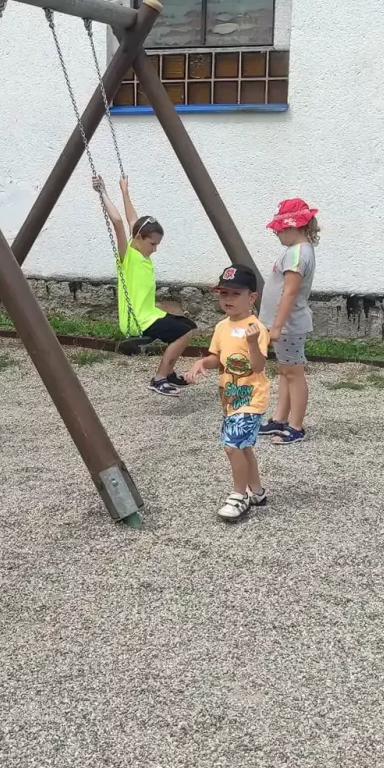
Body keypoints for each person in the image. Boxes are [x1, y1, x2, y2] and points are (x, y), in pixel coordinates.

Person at [91, 173, 198, 396]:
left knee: (186, 323)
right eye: (152, 244)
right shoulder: (127, 257)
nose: (155, 249)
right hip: (138, 321)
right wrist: (103, 192)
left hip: (149, 314)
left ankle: (168, 373)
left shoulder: (141, 251)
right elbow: (119, 223)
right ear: (139, 238)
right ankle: (159, 379)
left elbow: (133, 220)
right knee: (185, 332)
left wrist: (125, 191)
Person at [181, 265, 271, 521]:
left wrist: (252, 343)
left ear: (251, 298)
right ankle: (257, 491)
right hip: (230, 398)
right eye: (223, 293)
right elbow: (217, 358)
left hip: (251, 397)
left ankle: (239, 495)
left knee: (232, 447)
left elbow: (258, 366)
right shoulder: (222, 327)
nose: (228, 299)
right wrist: (202, 362)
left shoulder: (256, 328)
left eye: (235, 293)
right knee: (243, 447)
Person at [258, 197, 320, 445]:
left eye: (281, 230)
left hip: (289, 325)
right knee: (285, 372)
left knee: (294, 373)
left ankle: (296, 426)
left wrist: (277, 325)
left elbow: (290, 292)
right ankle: (280, 418)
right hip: (286, 325)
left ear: (296, 226)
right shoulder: (297, 251)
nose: (278, 234)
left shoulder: (297, 254)